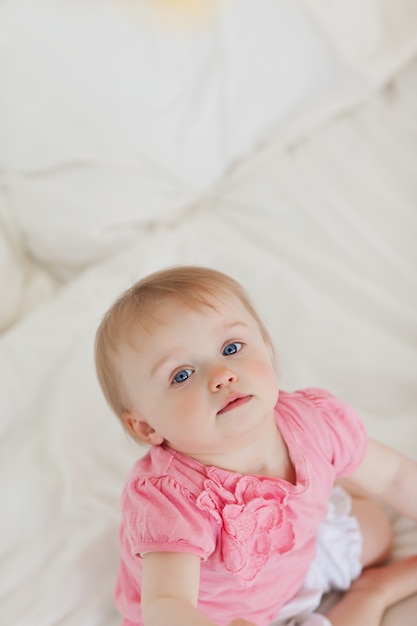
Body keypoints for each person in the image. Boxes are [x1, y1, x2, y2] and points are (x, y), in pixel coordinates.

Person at [94, 265, 417, 626]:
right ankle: (376, 592)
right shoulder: (169, 498)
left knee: (376, 531)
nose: (222, 375)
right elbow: (167, 603)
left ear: (266, 347)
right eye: (182, 375)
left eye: (232, 348)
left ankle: (334, 485)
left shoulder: (312, 421)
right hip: (219, 615)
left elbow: (393, 478)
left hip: (295, 562)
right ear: (146, 427)